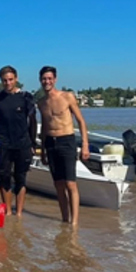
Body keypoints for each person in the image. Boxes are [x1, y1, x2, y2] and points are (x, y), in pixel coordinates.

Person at [37, 66, 89, 226]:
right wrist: (43, 151)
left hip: (67, 140)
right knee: (58, 184)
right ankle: (65, 219)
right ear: (40, 80)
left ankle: (74, 222)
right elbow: (44, 127)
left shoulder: (67, 97)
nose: (47, 81)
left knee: (70, 183)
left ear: (55, 79)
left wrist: (85, 145)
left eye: (49, 78)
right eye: (44, 79)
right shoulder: (41, 103)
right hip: (50, 143)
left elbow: (80, 121)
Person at [0, 65, 37, 217]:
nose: (8, 83)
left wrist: (33, 143)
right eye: (5, 80)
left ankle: (18, 213)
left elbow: (32, 121)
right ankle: (7, 211)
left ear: (16, 79)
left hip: (22, 143)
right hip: (4, 143)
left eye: (10, 79)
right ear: (1, 81)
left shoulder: (26, 97)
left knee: (21, 178)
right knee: (4, 177)